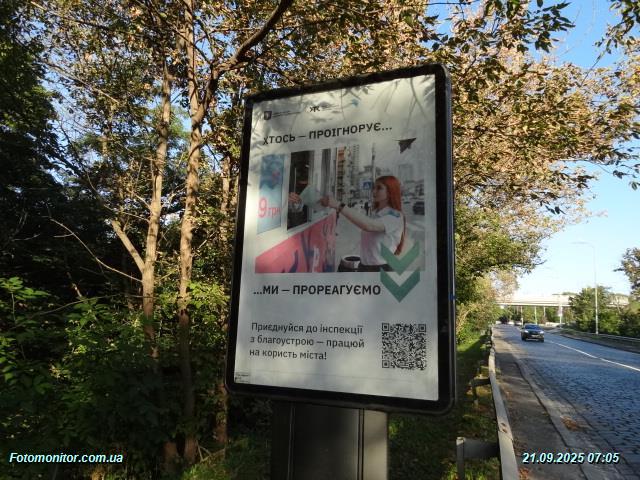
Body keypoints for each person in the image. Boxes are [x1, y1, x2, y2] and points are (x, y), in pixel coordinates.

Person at [321, 176, 406, 272]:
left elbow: (369, 225)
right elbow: (364, 224)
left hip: (382, 269)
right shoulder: (376, 213)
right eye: (374, 187)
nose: (374, 191)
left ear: (390, 192)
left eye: (379, 188)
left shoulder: (395, 216)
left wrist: (338, 205)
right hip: (365, 266)